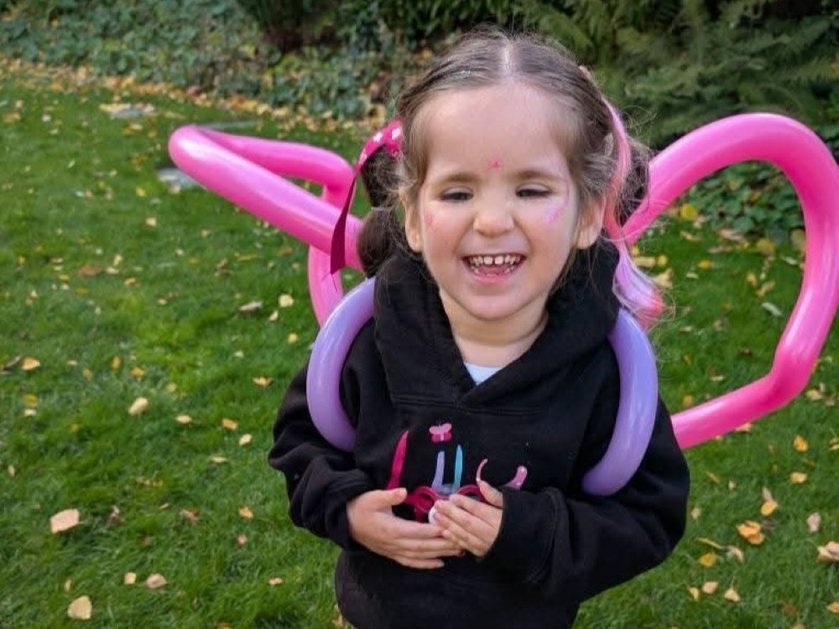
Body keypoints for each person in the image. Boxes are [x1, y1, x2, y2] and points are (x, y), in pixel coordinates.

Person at [269, 28, 690, 629]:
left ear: (588, 213)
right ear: (413, 217)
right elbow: (299, 445)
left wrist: (529, 532)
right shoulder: (367, 346)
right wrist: (347, 508)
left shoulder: (604, 373)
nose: (492, 221)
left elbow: (648, 517)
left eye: (531, 188)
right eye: (459, 191)